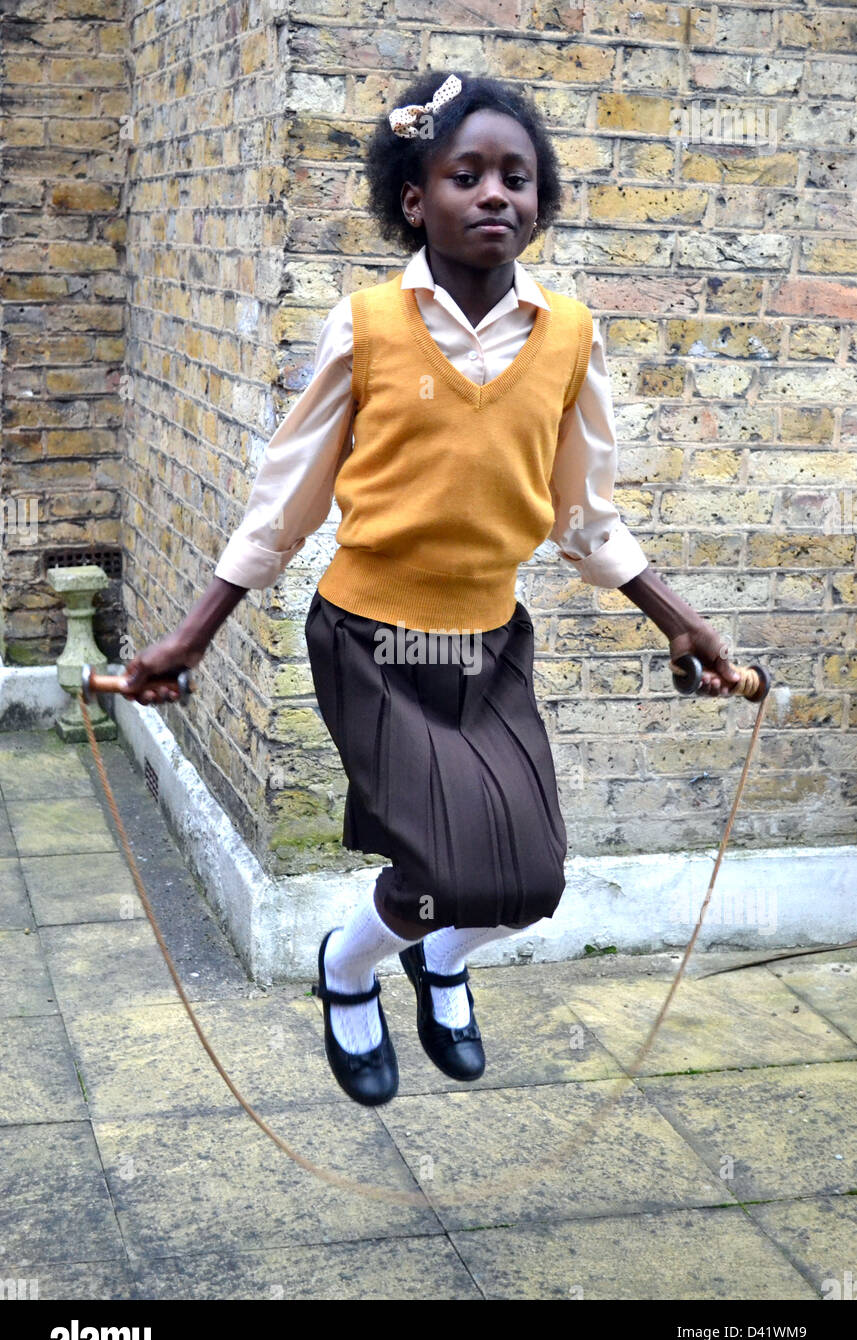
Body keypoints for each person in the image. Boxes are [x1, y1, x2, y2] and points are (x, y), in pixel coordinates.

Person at [121, 72, 741, 1108]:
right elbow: (283, 503)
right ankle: (349, 967)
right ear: (415, 199)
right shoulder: (366, 325)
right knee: (433, 865)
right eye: (467, 175)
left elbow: (585, 519)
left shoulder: (569, 339)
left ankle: (437, 959)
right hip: (369, 643)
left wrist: (678, 622)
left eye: (518, 177)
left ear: (538, 203)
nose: (495, 194)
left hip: (486, 648)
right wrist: (190, 638)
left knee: (529, 882)